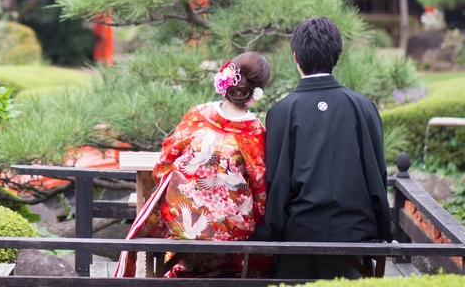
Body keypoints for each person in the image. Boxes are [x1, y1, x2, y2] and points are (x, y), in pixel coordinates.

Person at [254, 17, 394, 280]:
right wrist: (385, 230)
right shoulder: (363, 107)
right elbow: (377, 176)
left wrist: (270, 232)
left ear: (296, 57)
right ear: (337, 55)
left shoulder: (281, 113)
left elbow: (278, 182)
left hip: (299, 235)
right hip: (355, 235)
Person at [115, 52, 272, 278]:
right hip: (229, 232)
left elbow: (163, 165)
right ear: (257, 92)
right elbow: (259, 189)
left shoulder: (198, 115)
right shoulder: (255, 131)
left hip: (180, 225)